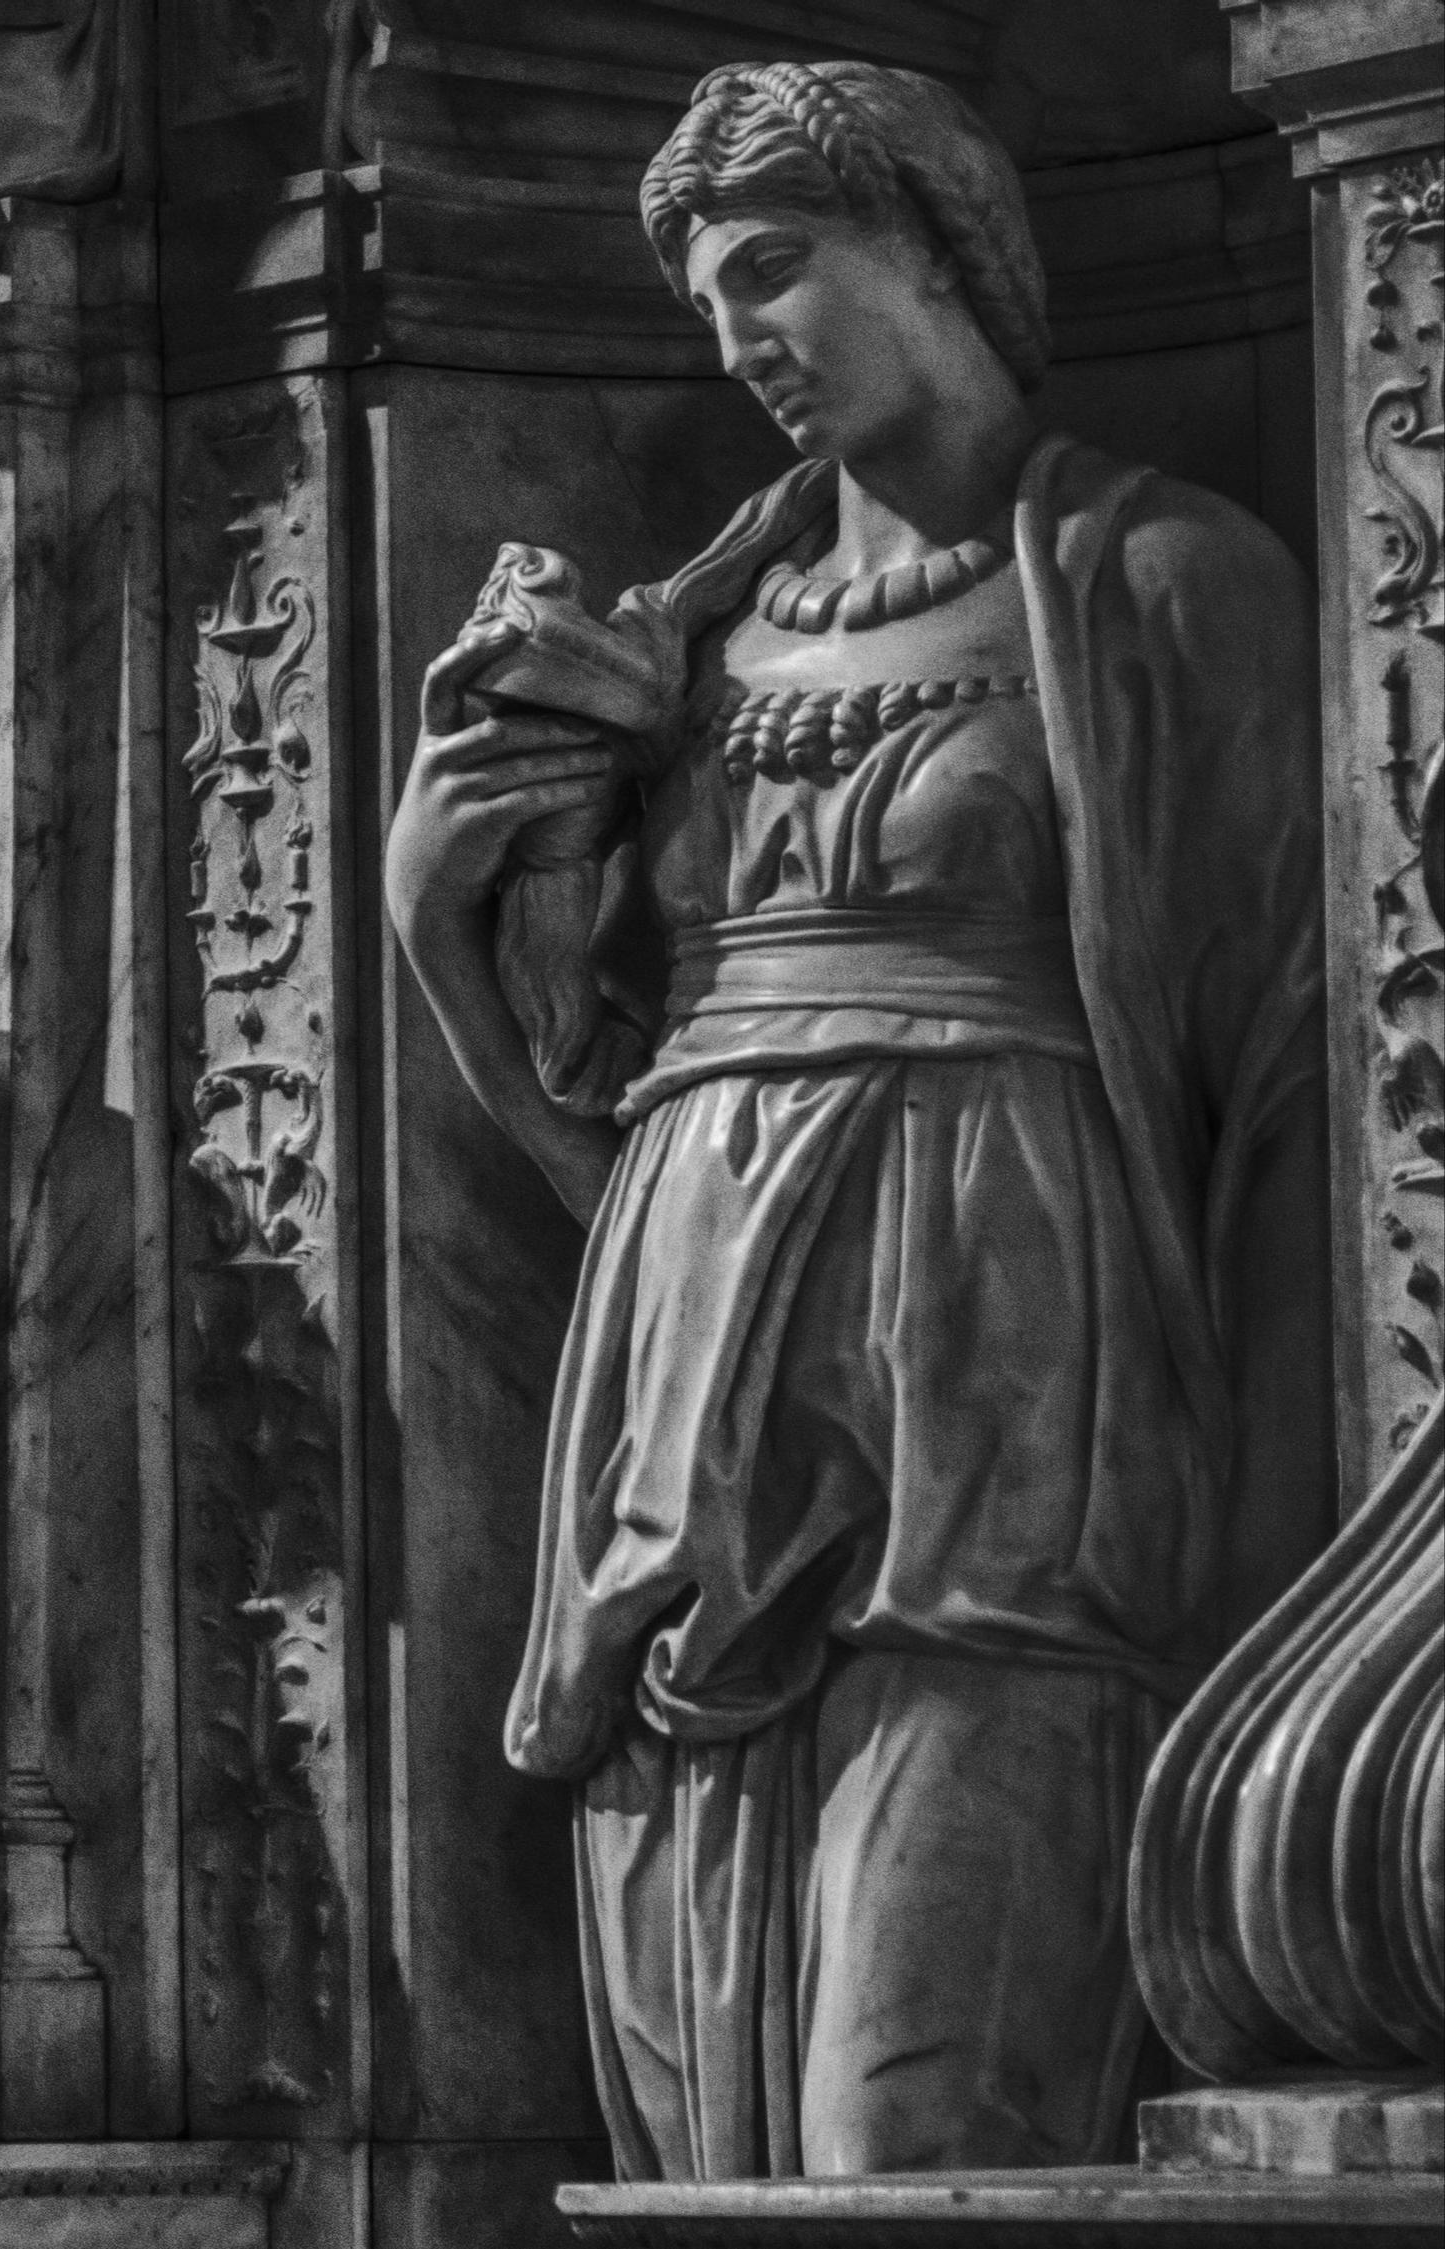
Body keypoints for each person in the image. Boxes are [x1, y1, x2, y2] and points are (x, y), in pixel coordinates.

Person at [384, 62, 1328, 2177]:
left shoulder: (1168, 583)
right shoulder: (691, 642)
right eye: (707, 302)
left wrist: (1279, 1570)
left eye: (771, 270)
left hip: (1005, 1397)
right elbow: (594, 1109)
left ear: (937, 242)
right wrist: (439, 906)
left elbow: (1297, 1103)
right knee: (692, 2115)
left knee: (908, 2111)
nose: (737, 340)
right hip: (680, 1405)